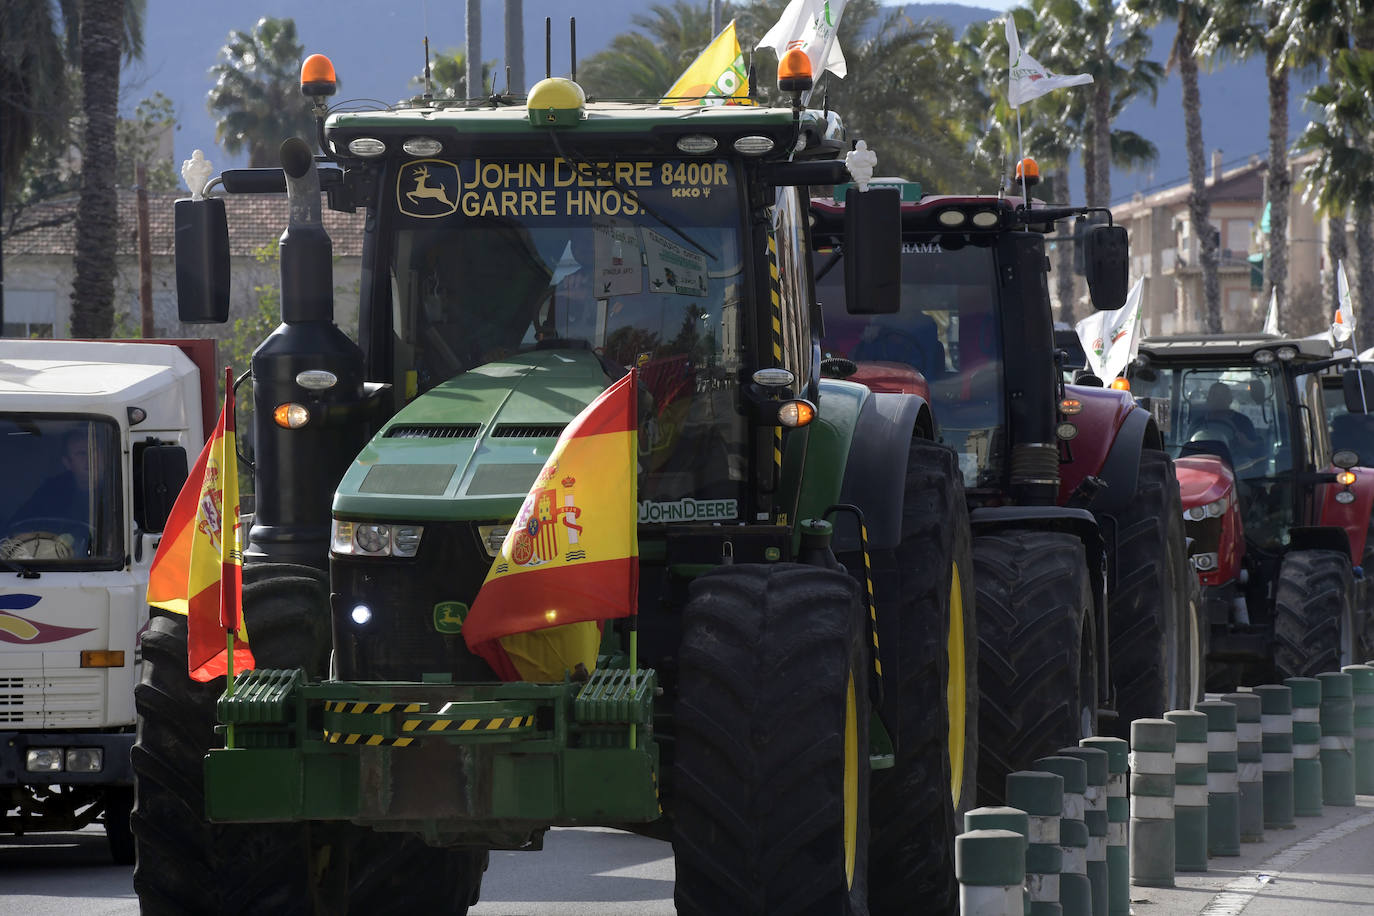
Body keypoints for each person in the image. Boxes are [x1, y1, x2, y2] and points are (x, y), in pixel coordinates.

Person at [5, 430, 98, 551]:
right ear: (67, 463)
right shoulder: (52, 490)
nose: (90, 459)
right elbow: (20, 527)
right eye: (81, 453)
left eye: (95, 451)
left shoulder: (116, 486)